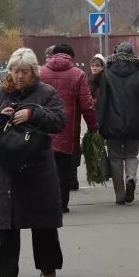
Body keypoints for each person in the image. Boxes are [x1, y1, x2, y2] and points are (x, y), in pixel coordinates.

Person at [0, 48, 66, 277]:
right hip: (4, 168)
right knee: (4, 221)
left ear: (34, 72)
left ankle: (48, 267)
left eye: (24, 71)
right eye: (15, 71)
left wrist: (32, 113)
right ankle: (4, 274)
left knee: (42, 220)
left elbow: (59, 121)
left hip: (37, 166)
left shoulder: (46, 93)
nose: (19, 76)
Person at [97, 42, 139, 205]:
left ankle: (120, 195)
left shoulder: (107, 74)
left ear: (115, 54)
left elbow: (102, 101)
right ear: (133, 55)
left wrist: (98, 125)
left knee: (115, 159)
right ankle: (131, 178)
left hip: (112, 123)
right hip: (135, 122)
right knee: (131, 155)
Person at [40, 44, 97, 214]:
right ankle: (62, 204)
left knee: (45, 167)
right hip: (67, 128)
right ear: (71, 56)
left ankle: (46, 203)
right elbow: (87, 105)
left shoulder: (41, 73)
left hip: (44, 128)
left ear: (53, 55)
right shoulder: (77, 74)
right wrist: (94, 127)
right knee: (64, 168)